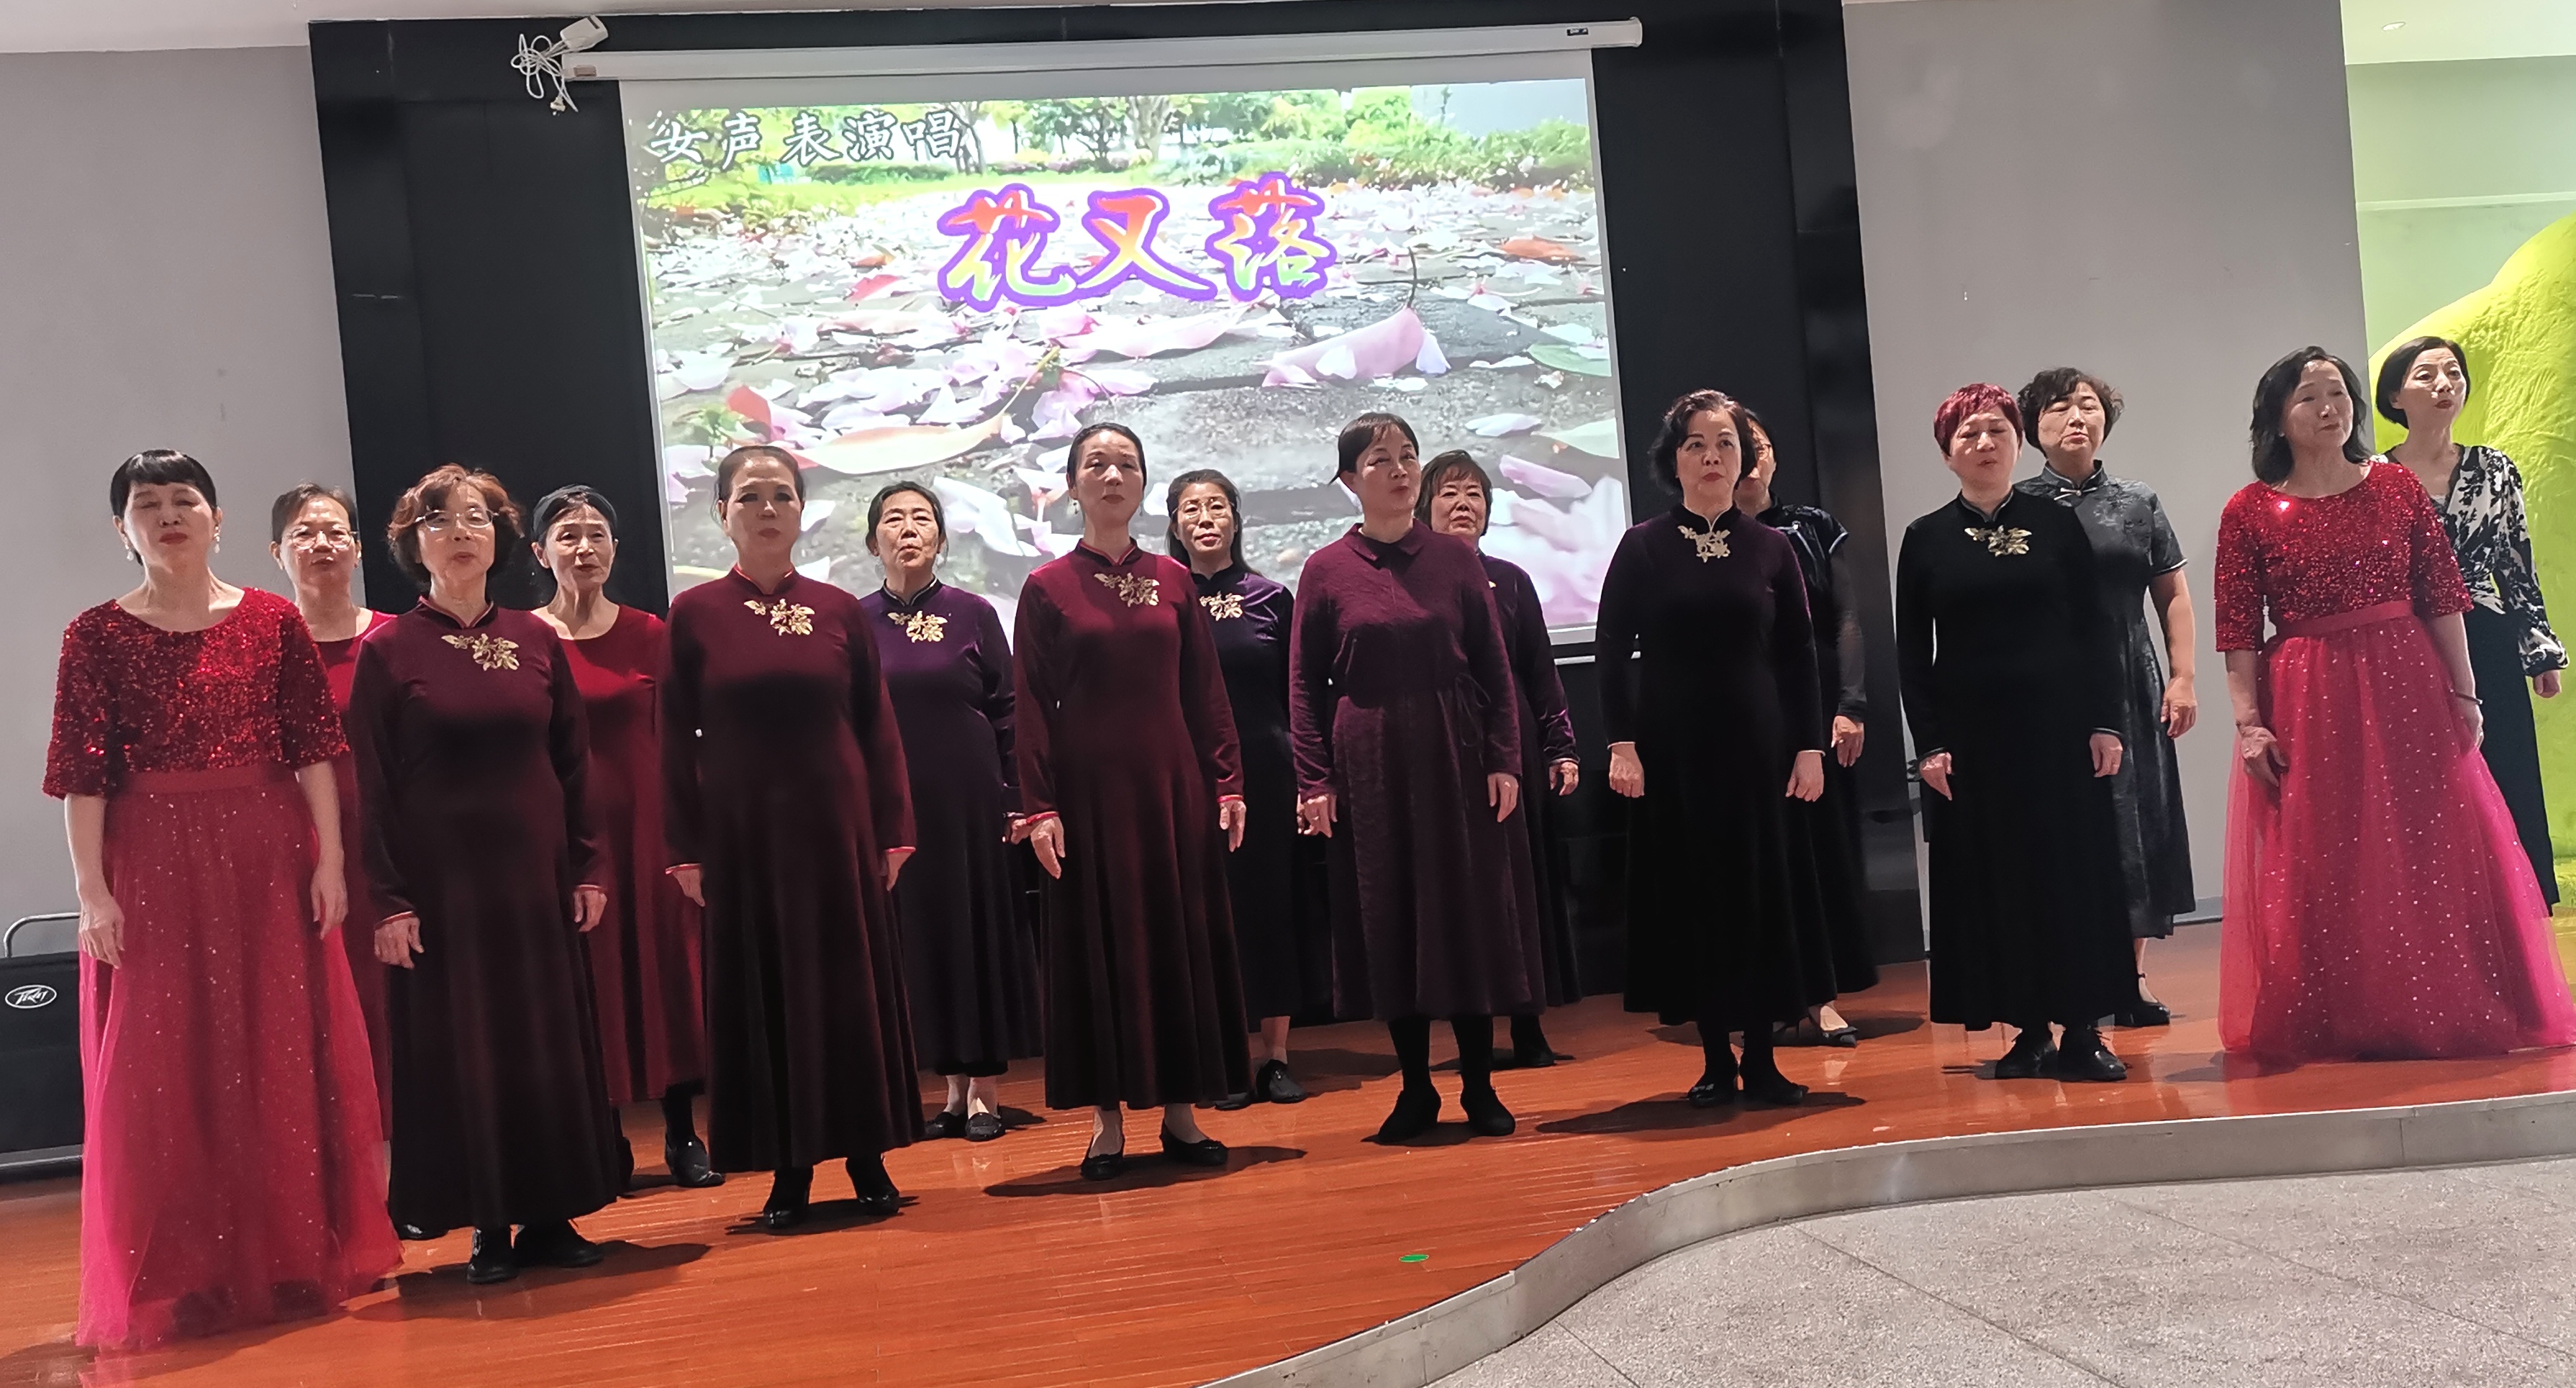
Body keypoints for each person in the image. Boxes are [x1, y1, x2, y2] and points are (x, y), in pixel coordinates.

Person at [48, 451, 396, 1346]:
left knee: (279, 1049)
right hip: (151, 864)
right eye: (148, 504)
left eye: (185, 500)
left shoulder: (273, 620)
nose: (169, 515)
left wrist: (328, 861)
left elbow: (313, 748)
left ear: (217, 518)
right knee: (165, 1069)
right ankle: (186, 1273)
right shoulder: (94, 634)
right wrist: (92, 893)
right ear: (122, 528)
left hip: (267, 855)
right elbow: (81, 777)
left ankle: (291, 1252)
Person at [2216, 347, 2576, 1063]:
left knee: (2429, 845)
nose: (2329, 408)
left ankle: (2445, 1002)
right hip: (2307, 693)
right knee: (2326, 854)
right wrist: (2249, 724)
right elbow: (2237, 629)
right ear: (2277, 418)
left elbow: (2442, 595)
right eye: (2309, 397)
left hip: (2405, 679)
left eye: (2337, 393)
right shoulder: (2249, 510)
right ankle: (2348, 1013)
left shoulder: (2394, 487)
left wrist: (2464, 691)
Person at [350, 463, 622, 1284]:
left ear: (499, 538)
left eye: (476, 517)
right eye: (440, 519)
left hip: (535, 883)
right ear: (415, 544)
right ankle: (488, 1225)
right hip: (445, 895)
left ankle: (551, 1215)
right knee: (466, 1049)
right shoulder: (388, 651)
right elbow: (374, 787)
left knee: (543, 1043)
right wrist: (389, 901)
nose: (460, 532)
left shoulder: (538, 639)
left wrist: (588, 865)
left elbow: (573, 763)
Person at [663, 445, 920, 1225]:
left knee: (847, 993)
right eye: (749, 497)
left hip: (837, 833)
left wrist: (893, 829)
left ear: (803, 511)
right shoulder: (694, 613)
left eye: (781, 495)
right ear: (722, 514)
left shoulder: (840, 610)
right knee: (766, 995)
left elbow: (876, 726)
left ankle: (866, 1152)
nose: (767, 509)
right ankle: (789, 1166)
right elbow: (673, 739)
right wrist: (684, 847)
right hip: (744, 840)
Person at [1292, 412, 1546, 1143]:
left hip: (1454, 752)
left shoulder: (1455, 559)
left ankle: (1479, 1085)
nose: (1401, 469)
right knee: (1390, 916)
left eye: (1408, 455)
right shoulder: (1325, 570)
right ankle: (1414, 1088)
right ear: (1350, 479)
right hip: (1367, 760)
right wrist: (1314, 780)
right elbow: (1304, 685)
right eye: (1381, 459)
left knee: (1464, 914)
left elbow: (1494, 665)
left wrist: (1503, 758)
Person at [1016, 424, 1250, 1179]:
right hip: (1087, 796)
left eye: (1126, 465)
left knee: (1175, 942)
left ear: (1144, 483)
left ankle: (1181, 1113)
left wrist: (1228, 780)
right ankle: (1107, 1123)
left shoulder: (1174, 580)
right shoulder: (1046, 587)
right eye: (1097, 464)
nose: (1112, 476)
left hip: (1173, 791)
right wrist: (1039, 805)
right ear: (1073, 484)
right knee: (1100, 948)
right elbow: (1030, 704)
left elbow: (1206, 692)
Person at [1895, 386, 2139, 1082]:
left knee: (2073, 876)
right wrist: (1929, 744)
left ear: (2018, 442)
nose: (1985, 443)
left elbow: (2095, 628)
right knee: (1998, 882)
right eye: (1968, 434)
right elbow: (1912, 651)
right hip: (1974, 745)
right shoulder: (1925, 538)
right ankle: (2027, 1031)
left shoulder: (2057, 525)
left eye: (1997, 430)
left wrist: (2105, 721)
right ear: (1947, 454)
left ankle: (2083, 1031)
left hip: (2062, 736)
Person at [1598, 394, 1834, 1106]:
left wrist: (1809, 745)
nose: (1711, 456)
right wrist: (1621, 743)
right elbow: (1611, 650)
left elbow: (1798, 654)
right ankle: (1712, 1060)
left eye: (1726, 443)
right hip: (1674, 755)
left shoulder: (1770, 547)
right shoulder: (1642, 546)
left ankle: (1761, 1057)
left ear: (1745, 460)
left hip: (1759, 753)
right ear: (1673, 461)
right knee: (1693, 899)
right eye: (1696, 444)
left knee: (1759, 896)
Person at [529, 486, 718, 1189]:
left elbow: (682, 740)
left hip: (646, 829)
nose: (584, 548)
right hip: (564, 834)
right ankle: (602, 1136)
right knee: (591, 979)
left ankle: (682, 1132)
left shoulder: (651, 633)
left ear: (615, 548)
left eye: (597, 535)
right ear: (539, 552)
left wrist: (690, 835)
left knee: (665, 972)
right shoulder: (524, 639)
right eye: (568, 536)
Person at [2013, 369, 2199, 1025]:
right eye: (2060, 407)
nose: (2076, 418)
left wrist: (2183, 676)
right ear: (2032, 426)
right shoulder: (2017, 507)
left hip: (2129, 676)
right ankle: (2068, 980)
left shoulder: (2138, 500)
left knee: (2135, 821)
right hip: (2050, 687)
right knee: (2065, 827)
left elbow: (2173, 594)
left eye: (2088, 406)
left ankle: (2130, 977)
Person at [858, 481, 1040, 1141]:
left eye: (922, 518)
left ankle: (986, 1091)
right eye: (894, 519)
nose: (909, 529)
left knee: (974, 934)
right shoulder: (855, 620)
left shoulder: (973, 613)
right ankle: (952, 1090)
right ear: (873, 539)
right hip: (897, 810)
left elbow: (1008, 709)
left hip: (970, 802)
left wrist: (1016, 798)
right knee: (923, 940)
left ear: (941, 536)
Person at [2379, 336, 2565, 905]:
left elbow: (2517, 563)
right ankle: (2434, 900)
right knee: (2423, 775)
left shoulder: (2495, 469)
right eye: (2426, 374)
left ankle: (2517, 900)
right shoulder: (2375, 476)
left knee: (2505, 764)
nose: (2444, 385)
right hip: (2408, 638)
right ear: (2395, 395)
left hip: (2486, 631)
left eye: (2454, 373)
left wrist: (2538, 648)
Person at [1419, 450, 1585, 1068]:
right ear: (1425, 508)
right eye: (1449, 493)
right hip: (1441, 747)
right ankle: (1473, 1027)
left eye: (1475, 494)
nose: (1463, 504)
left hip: (1512, 746)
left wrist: (1561, 745)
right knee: (1462, 887)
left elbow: (1541, 671)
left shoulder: (1512, 580)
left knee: (1519, 886)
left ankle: (1528, 1022)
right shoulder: (1411, 580)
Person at [1169, 468, 1328, 1108]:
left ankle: (1276, 1056)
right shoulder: (1164, 599)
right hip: (1191, 776)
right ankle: (1225, 1055)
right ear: (1175, 525)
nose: (1205, 518)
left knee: (1271, 910)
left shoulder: (1271, 597)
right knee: (1209, 914)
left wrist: (1309, 778)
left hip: (1268, 771)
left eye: (1217, 506)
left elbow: (1300, 694)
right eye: (1191, 509)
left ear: (1236, 519)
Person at [1735, 412, 1878, 1046]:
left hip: (1815, 706)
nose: (1749, 459)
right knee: (1760, 856)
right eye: (1737, 447)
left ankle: (1821, 995)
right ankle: (1766, 995)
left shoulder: (1813, 525)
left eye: (1758, 446)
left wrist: (1851, 704)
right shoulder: (1706, 537)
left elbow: (1846, 616)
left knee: (1820, 854)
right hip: (1743, 714)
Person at [269, 481, 396, 1126]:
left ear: (357, 548)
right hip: (300, 853)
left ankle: (405, 1148)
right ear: (277, 552)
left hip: (388, 848)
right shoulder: (264, 648)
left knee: (392, 998)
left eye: (335, 532)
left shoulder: (394, 640)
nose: (321, 544)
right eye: (303, 533)